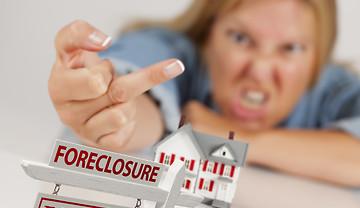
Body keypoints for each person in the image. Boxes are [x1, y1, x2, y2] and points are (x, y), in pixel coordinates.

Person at [48, 0, 360, 187]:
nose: (261, 70)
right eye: (240, 38)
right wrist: (113, 109)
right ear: (207, 33)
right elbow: (139, 96)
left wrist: (227, 136)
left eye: (291, 48)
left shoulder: (335, 90)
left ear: (318, 57)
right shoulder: (173, 50)